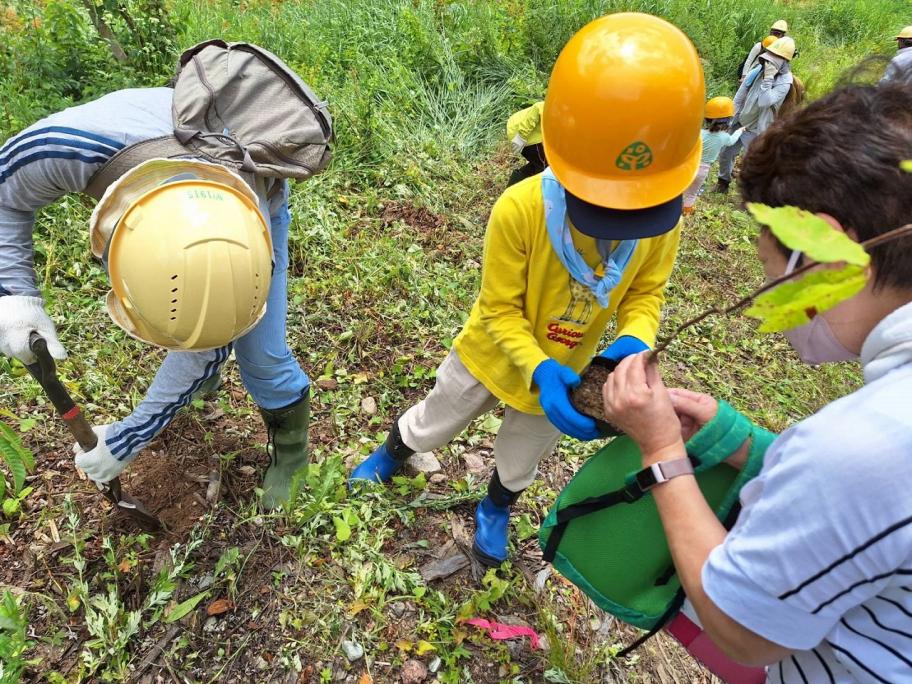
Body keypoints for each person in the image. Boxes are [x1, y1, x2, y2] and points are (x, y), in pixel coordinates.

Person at [349, 13, 704, 566]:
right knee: (443, 411)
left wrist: (634, 340)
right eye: (604, 207)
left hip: (571, 359)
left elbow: (645, 294)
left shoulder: (664, 221)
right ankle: (396, 450)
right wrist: (536, 367)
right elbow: (497, 309)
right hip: (493, 352)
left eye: (636, 211)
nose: (620, 223)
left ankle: (496, 505)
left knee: (525, 451)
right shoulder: (522, 209)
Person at [601, 79, 912, 682]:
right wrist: (746, 444)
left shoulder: (863, 446)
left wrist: (662, 451)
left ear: (823, 249)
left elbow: (741, 630)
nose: (765, 294)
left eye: (769, 266)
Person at [0, 62, 330, 510]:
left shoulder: (246, 244)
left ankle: (293, 455)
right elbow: (5, 198)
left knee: (262, 355)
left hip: (249, 190)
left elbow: (210, 340)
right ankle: (197, 382)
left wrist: (128, 438)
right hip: (146, 150)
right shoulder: (62, 148)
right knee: (186, 323)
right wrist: (16, 295)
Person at [715, 36, 795, 194]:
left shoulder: (785, 81)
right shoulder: (756, 71)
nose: (769, 63)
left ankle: (750, 196)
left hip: (758, 128)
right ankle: (723, 181)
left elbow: (765, 101)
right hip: (741, 120)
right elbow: (739, 97)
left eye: (774, 60)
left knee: (753, 163)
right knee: (725, 153)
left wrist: (769, 78)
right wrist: (731, 119)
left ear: (784, 61)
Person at [682, 97, 744, 214]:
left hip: (690, 166)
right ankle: (687, 210)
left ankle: (672, 208)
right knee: (692, 193)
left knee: (680, 189)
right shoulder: (724, 137)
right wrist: (740, 131)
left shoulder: (699, 133)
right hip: (703, 170)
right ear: (729, 121)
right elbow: (732, 141)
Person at [506, 101, 546, 186]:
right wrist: (521, 136)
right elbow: (538, 107)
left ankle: (513, 187)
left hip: (533, 135)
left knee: (538, 164)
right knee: (544, 167)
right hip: (521, 132)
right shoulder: (562, 106)